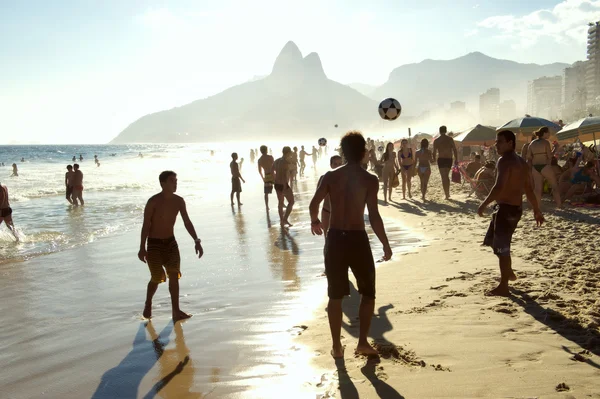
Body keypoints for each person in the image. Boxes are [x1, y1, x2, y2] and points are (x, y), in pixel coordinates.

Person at [309, 131, 392, 358]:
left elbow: (314, 204)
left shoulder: (330, 176)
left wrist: (315, 221)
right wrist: (385, 243)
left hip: (335, 239)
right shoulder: (370, 180)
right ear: (364, 152)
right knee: (368, 293)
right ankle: (362, 343)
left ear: (342, 152)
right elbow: (374, 216)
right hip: (357, 240)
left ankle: (337, 347)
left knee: (335, 296)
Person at [478, 130, 544, 297]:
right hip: (516, 209)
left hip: (505, 210)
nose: (496, 145)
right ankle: (508, 272)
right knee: (495, 242)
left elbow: (499, 187)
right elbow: (529, 189)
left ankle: (503, 286)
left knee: (502, 248)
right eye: (496, 141)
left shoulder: (504, 161)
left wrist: (484, 204)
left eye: (499, 142)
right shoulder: (522, 163)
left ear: (510, 143)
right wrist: (536, 210)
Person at [138, 171, 203, 322]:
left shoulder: (179, 201)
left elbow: (187, 221)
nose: (175, 183)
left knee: (174, 275)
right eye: (172, 181)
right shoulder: (153, 201)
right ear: (163, 183)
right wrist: (142, 247)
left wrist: (196, 240)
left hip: (171, 243)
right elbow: (146, 225)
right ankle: (148, 302)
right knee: (156, 278)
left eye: (176, 180)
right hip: (154, 245)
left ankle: (176, 311)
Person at [526, 127, 561, 207]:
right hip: (545, 166)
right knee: (554, 185)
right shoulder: (545, 142)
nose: (549, 134)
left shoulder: (532, 143)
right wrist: (555, 148)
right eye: (548, 133)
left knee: (538, 189)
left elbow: (529, 157)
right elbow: (550, 156)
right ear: (544, 133)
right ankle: (559, 205)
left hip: (535, 167)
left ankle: (537, 206)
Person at [317, 155, 344, 238]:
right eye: (335, 164)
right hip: (327, 212)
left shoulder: (347, 179)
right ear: (331, 165)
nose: (338, 166)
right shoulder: (323, 178)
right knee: (328, 239)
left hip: (342, 214)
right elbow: (316, 200)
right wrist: (316, 219)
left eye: (340, 164)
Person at [433, 125, 458, 200]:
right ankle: (447, 193)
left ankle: (446, 194)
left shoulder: (437, 140)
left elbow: (434, 151)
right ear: (446, 131)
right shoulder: (450, 139)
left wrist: (433, 159)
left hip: (441, 159)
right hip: (449, 159)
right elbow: (454, 149)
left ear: (439, 131)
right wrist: (456, 159)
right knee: (446, 176)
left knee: (444, 177)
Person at [273, 147, 295, 227]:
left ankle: (282, 221)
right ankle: (285, 219)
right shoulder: (285, 162)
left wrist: (275, 179)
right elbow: (284, 175)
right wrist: (285, 185)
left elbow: (272, 170)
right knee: (291, 201)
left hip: (277, 184)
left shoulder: (277, 160)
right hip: (283, 184)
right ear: (288, 153)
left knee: (280, 203)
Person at [257, 145, 275, 210]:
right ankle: (282, 203)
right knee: (279, 189)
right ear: (266, 150)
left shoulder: (259, 160)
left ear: (261, 151)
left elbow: (259, 171)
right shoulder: (270, 157)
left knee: (266, 193)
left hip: (266, 176)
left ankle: (267, 206)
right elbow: (274, 167)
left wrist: (263, 178)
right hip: (273, 175)